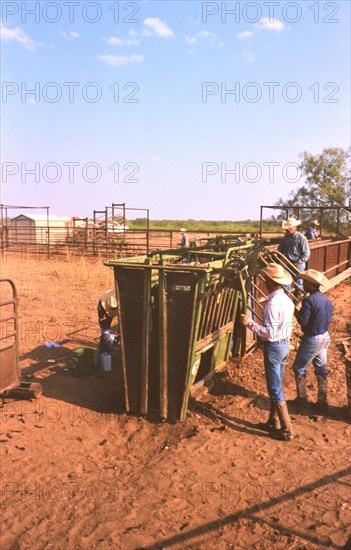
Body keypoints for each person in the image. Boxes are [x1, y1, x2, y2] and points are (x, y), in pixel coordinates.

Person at [241, 263, 295, 441]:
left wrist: (249, 323)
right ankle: (274, 422)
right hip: (284, 345)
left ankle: (287, 429)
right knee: (276, 385)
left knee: (274, 388)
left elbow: (269, 333)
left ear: (271, 282)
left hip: (274, 347)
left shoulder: (272, 305)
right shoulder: (287, 300)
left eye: (266, 279)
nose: (263, 281)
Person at [291, 269, 332, 412]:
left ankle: (302, 399)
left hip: (312, 338)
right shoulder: (327, 300)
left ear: (311, 284)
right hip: (325, 336)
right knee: (321, 369)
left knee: (298, 367)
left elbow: (303, 321)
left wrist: (295, 310)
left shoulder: (309, 300)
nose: (303, 285)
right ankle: (322, 401)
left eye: (305, 282)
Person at [277, 217, 310, 297]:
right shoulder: (285, 239)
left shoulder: (301, 238)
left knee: (298, 284)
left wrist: (298, 262)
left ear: (295, 227)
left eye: (290, 228)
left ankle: (297, 301)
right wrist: (280, 258)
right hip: (288, 263)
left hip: (298, 263)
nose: (288, 230)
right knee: (286, 284)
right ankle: (287, 302)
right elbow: (280, 250)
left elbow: (306, 253)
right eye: (287, 228)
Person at [98, 288, 118, 354]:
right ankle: (103, 349)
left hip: (108, 307)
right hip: (102, 308)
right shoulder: (102, 308)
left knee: (108, 328)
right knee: (105, 330)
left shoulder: (116, 299)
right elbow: (102, 320)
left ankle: (108, 344)